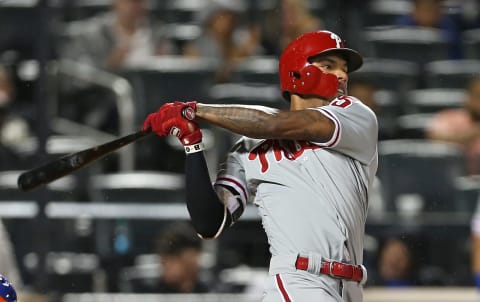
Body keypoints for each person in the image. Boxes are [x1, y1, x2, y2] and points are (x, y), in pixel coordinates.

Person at [143, 30, 378, 301]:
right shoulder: (249, 148)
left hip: (351, 287)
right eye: (328, 66)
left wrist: (195, 110)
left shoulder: (357, 116)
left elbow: (277, 123)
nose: (342, 76)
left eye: (344, 69)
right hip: (298, 283)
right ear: (297, 72)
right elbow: (210, 223)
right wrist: (191, 142)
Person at [62, 0, 175, 71]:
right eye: (129, 1)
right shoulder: (93, 34)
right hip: (110, 101)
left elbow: (171, 64)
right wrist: (110, 64)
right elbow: (80, 75)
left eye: (139, 1)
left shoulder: (157, 32)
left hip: (152, 95)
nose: (134, 6)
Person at [183, 0, 262, 82]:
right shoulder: (194, 48)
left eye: (232, 17)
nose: (229, 21)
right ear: (210, 19)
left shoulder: (239, 44)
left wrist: (246, 53)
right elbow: (198, 78)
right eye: (223, 16)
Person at [133, 222, 209, 293]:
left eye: (166, 263)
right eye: (163, 263)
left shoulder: (210, 291)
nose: (164, 269)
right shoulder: (157, 293)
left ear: (188, 257)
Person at [426, 76, 480, 175]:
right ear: (468, 97)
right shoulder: (449, 117)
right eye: (478, 96)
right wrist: (469, 136)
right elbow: (434, 138)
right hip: (449, 179)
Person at [395, 0, 463, 60]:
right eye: (424, 9)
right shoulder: (402, 29)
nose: (428, 15)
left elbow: (456, 62)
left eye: (432, 9)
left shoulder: (450, 29)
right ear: (415, 10)